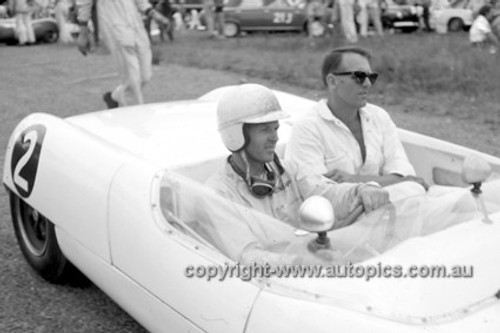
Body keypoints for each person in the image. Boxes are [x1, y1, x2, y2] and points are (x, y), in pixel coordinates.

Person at [206, 83, 390, 231]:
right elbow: (248, 255)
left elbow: (326, 193)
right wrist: (300, 260)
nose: (275, 137)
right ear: (236, 135)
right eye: (264, 130)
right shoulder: (218, 194)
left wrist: (360, 191)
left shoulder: (290, 170)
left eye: (275, 128)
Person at [285, 47, 427, 189]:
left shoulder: (379, 117)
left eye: (371, 77)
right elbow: (315, 191)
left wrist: (354, 180)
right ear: (332, 81)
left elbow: (404, 175)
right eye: (359, 76)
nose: (368, 84)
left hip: (395, 201)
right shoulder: (308, 128)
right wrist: (389, 181)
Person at [75, 0, 169, 108]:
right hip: (113, 24)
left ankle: (115, 97)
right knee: (132, 77)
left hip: (136, 25)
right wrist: (83, 33)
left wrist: (155, 15)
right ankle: (133, 118)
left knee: (145, 75)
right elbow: (84, 3)